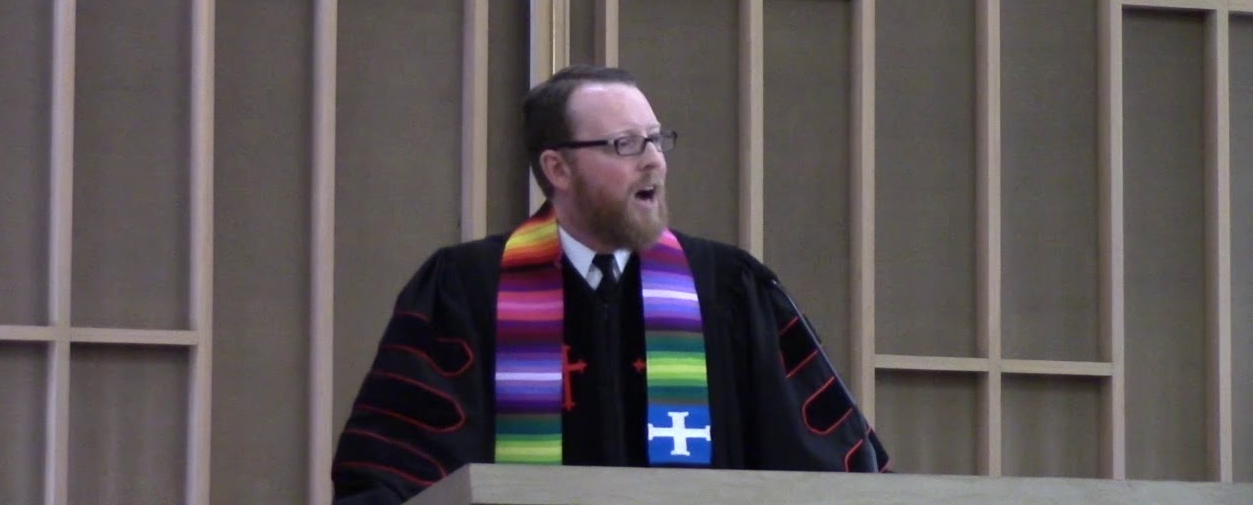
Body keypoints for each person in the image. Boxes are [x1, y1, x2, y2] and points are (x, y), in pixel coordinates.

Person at [332, 65, 889, 503]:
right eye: (626, 145)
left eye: (657, 140)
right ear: (557, 168)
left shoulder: (727, 288)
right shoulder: (466, 291)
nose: (654, 163)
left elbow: (828, 466)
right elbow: (395, 470)